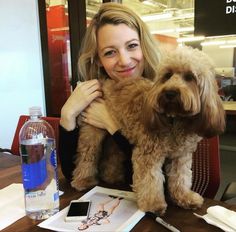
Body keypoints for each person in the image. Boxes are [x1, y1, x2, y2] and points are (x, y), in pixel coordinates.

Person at [59, 2, 160, 184]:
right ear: (98, 60)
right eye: (110, 52)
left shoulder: (165, 96)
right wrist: (67, 115)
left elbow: (165, 182)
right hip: (106, 203)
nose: (124, 60)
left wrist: (112, 125)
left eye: (132, 46)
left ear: (144, 46)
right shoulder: (95, 96)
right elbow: (72, 174)